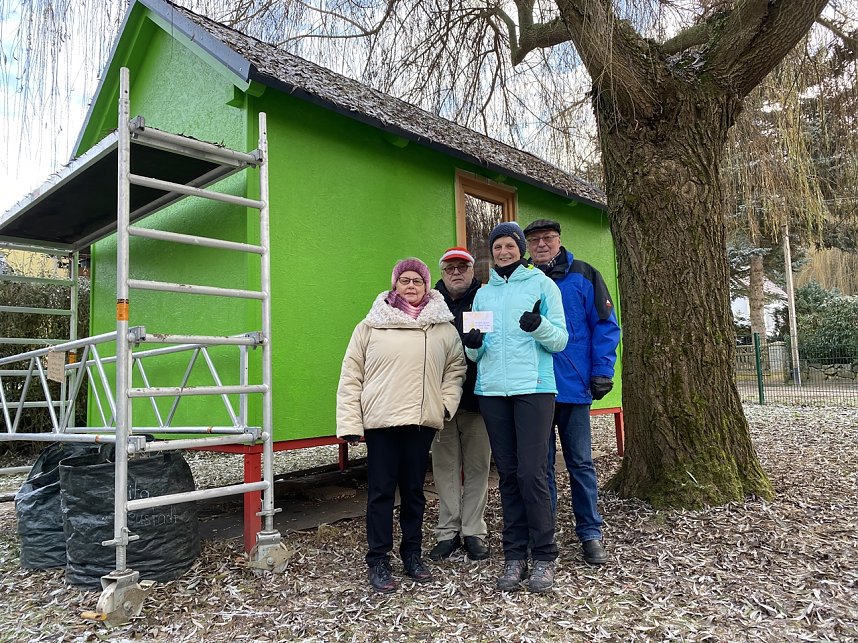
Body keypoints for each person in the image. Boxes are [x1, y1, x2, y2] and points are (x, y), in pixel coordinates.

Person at [336, 258, 467, 593]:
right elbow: (352, 375)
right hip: (381, 422)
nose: (411, 286)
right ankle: (378, 559)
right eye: (404, 281)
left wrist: (444, 405)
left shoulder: (443, 327)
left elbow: (456, 370)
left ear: (427, 286)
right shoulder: (370, 325)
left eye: (417, 281)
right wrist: (350, 422)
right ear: (394, 285)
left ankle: (412, 554)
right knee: (380, 493)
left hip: (420, 422)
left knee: (413, 493)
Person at [463, 222, 568, 593]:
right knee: (507, 474)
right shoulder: (483, 295)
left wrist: (538, 325)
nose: (503, 251)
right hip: (492, 390)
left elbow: (560, 340)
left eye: (510, 245)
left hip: (534, 389)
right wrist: (472, 343)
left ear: (521, 249)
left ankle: (543, 556)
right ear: (491, 251)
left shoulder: (542, 285)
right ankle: (514, 556)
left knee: (532, 473)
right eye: (498, 246)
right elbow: (474, 352)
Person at [523, 219, 621, 566]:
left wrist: (601, 371)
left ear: (559, 239)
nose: (541, 245)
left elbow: (606, 326)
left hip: (574, 386)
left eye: (547, 238)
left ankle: (590, 532)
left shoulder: (584, 274)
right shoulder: (525, 279)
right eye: (534, 240)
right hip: (535, 389)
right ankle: (544, 533)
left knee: (580, 463)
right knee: (541, 466)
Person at [429, 247, 492, 562]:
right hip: (440, 401)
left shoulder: (485, 298)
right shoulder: (429, 305)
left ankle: (473, 530)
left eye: (462, 267)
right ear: (442, 272)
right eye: (450, 267)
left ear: (472, 270)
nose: (456, 272)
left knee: (479, 466)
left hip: (479, 398)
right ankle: (447, 531)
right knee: (445, 467)